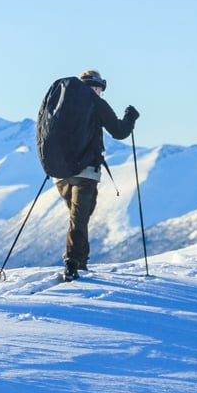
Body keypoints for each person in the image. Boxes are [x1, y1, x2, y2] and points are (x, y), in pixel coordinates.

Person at [56, 70, 139, 281]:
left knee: (78, 218)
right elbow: (119, 131)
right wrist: (130, 117)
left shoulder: (64, 104)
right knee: (80, 218)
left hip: (62, 174)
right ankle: (73, 262)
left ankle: (80, 260)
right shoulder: (96, 103)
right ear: (97, 87)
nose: (98, 92)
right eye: (98, 89)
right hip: (86, 172)